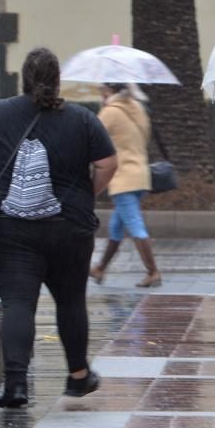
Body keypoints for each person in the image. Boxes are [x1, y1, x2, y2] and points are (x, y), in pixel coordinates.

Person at [0, 47, 118, 407]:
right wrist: (87, 193)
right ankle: (77, 377)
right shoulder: (83, 118)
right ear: (57, 80)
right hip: (69, 228)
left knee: (17, 303)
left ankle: (16, 386)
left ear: (23, 78)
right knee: (71, 301)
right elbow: (107, 162)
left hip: (9, 228)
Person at [89, 83, 162, 288]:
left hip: (123, 176)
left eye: (102, 91)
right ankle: (100, 268)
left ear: (110, 92)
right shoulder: (138, 108)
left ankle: (153, 271)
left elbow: (92, 135)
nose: (101, 95)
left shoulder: (111, 112)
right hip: (140, 174)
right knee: (116, 227)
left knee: (135, 224)